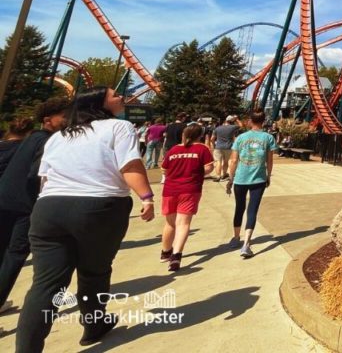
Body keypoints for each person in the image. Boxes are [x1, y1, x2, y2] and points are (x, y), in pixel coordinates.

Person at [14, 87, 155, 352]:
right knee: (95, 271)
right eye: (115, 96)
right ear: (99, 104)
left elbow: (44, 178)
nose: (121, 98)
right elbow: (130, 166)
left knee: (45, 285)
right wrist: (146, 196)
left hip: (49, 209)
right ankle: (94, 324)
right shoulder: (119, 127)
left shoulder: (58, 137)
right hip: (100, 206)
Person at [0, 101, 68, 314]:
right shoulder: (48, 141)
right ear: (48, 119)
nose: (67, 119)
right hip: (25, 205)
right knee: (15, 255)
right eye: (63, 115)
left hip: (6, 200)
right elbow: (35, 175)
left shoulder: (33, 137)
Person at [159, 123, 213, 271]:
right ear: (200, 135)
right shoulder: (202, 149)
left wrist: (175, 175)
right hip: (190, 189)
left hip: (170, 190)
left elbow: (164, 169)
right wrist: (195, 173)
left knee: (170, 223)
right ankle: (176, 256)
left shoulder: (174, 149)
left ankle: (165, 252)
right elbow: (208, 167)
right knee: (183, 223)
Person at [225, 111, 276, 258]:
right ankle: (246, 244)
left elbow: (234, 160)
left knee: (239, 207)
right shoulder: (268, 137)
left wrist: (231, 177)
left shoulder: (241, 137)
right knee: (252, 209)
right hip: (258, 179)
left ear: (249, 121)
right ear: (263, 121)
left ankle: (236, 238)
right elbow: (270, 160)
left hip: (240, 178)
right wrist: (268, 175)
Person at [210, 115, 240, 181]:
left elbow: (212, 138)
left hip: (218, 147)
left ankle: (218, 176)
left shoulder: (217, 128)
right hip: (228, 147)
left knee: (218, 161)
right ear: (231, 121)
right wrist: (237, 119)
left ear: (225, 121)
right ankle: (224, 174)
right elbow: (241, 125)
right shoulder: (232, 127)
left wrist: (213, 144)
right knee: (226, 162)